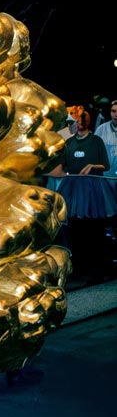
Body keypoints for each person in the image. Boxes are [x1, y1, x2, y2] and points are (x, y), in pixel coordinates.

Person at [50, 105, 116, 283]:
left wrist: (93, 166)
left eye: (81, 120)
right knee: (76, 229)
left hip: (93, 190)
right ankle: (79, 266)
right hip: (74, 189)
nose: (79, 123)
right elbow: (62, 167)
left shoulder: (96, 141)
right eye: (76, 120)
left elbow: (106, 165)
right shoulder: (69, 143)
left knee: (94, 230)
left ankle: (98, 269)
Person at [94, 100, 117, 175]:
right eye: (113, 111)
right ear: (110, 112)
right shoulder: (101, 129)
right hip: (106, 175)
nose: (116, 114)